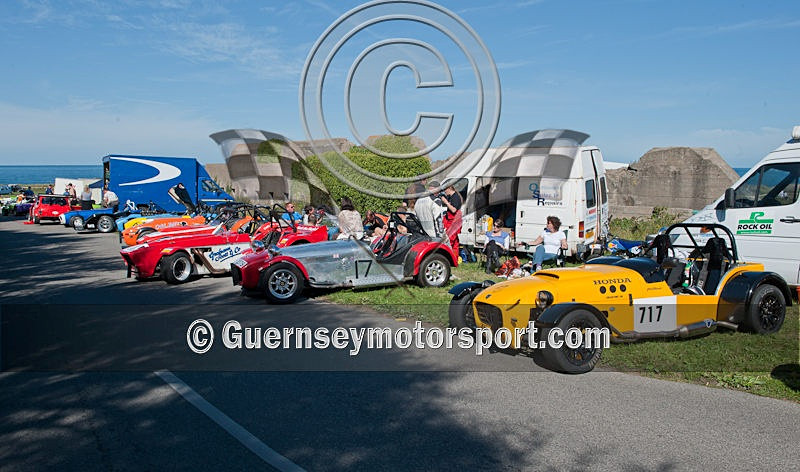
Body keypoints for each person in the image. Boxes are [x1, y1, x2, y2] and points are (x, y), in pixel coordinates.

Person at [441, 182, 463, 254]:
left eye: (445, 189)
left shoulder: (455, 197)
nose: (444, 191)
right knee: (455, 242)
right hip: (451, 220)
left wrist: (446, 202)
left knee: (450, 240)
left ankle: (449, 256)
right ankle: (455, 257)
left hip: (454, 221)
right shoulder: (451, 196)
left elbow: (454, 210)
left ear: (449, 188)